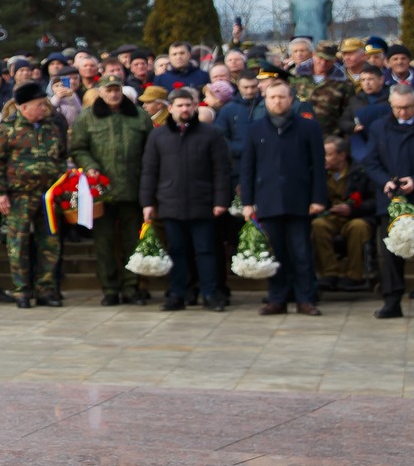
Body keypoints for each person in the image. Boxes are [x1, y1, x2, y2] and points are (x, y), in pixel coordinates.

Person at [361, 85, 414, 320]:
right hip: (391, 200)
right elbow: (370, 162)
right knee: (390, 254)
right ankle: (392, 301)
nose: (403, 112)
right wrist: (385, 182)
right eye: (398, 108)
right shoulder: (380, 127)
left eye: (408, 107)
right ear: (391, 105)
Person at [241, 78, 327, 316]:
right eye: (272, 97)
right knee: (275, 252)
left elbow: (318, 167)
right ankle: (277, 298)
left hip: (300, 200)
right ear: (265, 100)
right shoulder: (254, 129)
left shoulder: (309, 127)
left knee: (301, 253)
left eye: (281, 97)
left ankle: (305, 299)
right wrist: (247, 203)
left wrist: (318, 198)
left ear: (291, 99)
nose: (277, 101)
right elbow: (247, 169)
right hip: (267, 200)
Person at [141, 88, 233, 311]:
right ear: (170, 108)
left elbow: (222, 170)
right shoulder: (158, 136)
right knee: (177, 252)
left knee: (206, 251)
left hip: (203, 204)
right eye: (180, 105)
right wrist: (147, 203)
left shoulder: (211, 134)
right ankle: (177, 295)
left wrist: (221, 200)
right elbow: (149, 171)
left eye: (188, 105)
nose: (184, 109)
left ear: (195, 107)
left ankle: (210, 294)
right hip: (170, 204)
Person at [68, 81, 150, 306]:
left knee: (132, 241)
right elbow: (78, 148)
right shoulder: (87, 117)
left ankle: (131, 287)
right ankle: (110, 289)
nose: (113, 94)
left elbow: (150, 149)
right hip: (100, 192)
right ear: (100, 93)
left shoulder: (139, 116)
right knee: (103, 243)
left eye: (117, 90)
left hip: (132, 189)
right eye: (109, 90)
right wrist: (90, 164)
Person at [0, 81, 67, 307]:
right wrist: (0, 192)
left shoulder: (52, 127)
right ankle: (21, 290)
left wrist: (64, 186)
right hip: (18, 196)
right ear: (24, 107)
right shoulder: (7, 128)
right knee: (18, 243)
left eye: (44, 104)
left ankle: (45, 289)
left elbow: (61, 157)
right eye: (39, 104)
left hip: (49, 195)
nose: (44, 108)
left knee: (50, 243)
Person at [312, 138, 374, 293]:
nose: (323, 158)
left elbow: (375, 201)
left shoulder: (361, 172)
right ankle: (329, 273)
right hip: (330, 217)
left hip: (355, 216)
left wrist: (352, 209)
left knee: (358, 227)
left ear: (342, 156)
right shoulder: (318, 172)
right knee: (318, 225)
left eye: (328, 154)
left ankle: (354, 275)